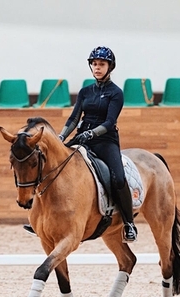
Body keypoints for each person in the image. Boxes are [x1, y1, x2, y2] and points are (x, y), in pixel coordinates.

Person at [25, 45, 137, 242]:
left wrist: (92, 134)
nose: (97, 68)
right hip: (81, 138)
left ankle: (128, 223)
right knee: (52, 168)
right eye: (94, 64)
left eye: (101, 64)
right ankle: (42, 219)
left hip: (105, 141)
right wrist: (61, 137)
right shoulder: (85, 91)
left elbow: (110, 122)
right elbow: (74, 118)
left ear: (110, 67)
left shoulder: (116, 93)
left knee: (118, 178)